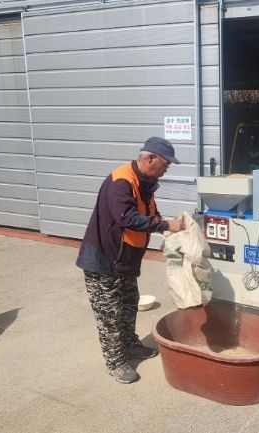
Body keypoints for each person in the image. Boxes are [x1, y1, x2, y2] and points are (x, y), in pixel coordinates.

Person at [76, 137, 185, 384]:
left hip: (125, 260)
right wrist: (165, 225)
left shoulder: (146, 184)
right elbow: (127, 217)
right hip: (104, 260)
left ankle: (129, 345)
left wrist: (166, 228)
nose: (167, 169)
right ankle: (115, 362)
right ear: (150, 158)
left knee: (128, 305)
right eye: (166, 163)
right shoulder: (121, 181)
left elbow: (150, 214)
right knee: (110, 314)